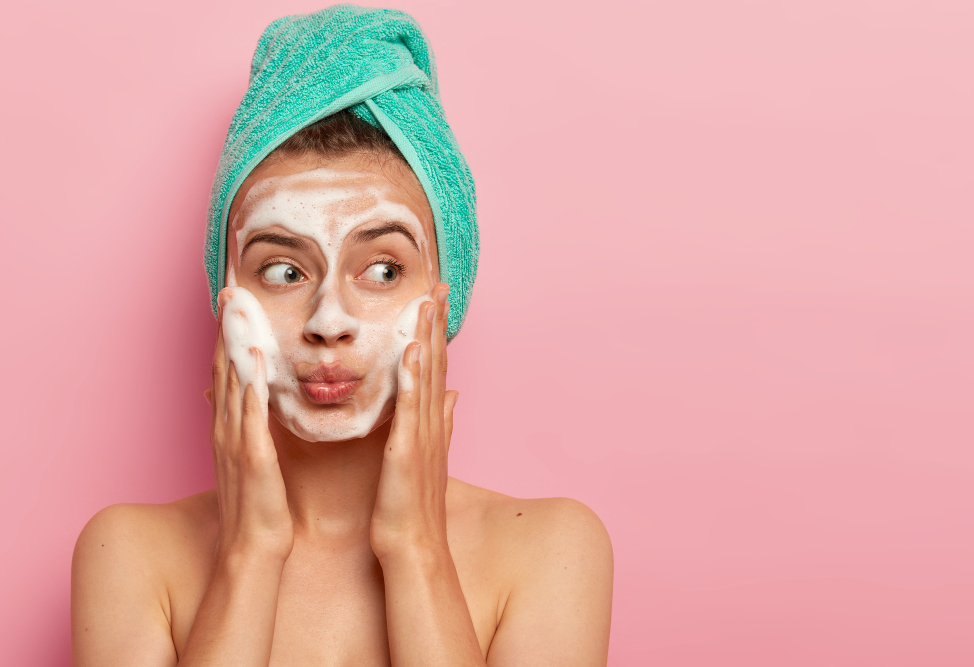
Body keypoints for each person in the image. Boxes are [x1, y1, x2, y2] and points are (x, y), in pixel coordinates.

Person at [71, 6, 613, 666]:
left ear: (447, 295)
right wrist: (251, 552)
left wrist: (416, 548)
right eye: (283, 269)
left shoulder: (552, 550)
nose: (330, 319)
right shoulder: (129, 555)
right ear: (228, 297)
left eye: (383, 268)